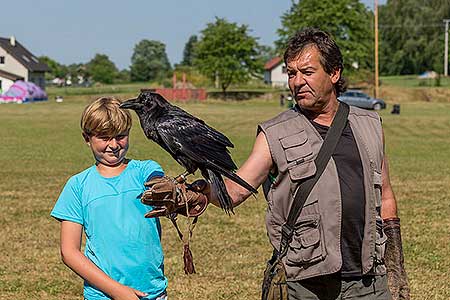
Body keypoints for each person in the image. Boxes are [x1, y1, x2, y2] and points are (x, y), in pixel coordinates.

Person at [147, 28, 410, 300]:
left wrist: (395, 265)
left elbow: (385, 195)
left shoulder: (370, 126)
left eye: (307, 72)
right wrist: (191, 196)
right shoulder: (274, 133)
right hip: (307, 281)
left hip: (369, 280)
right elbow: (237, 190)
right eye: (291, 73)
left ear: (334, 73)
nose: (297, 82)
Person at [51, 97, 168, 300]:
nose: (113, 145)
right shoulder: (77, 186)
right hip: (102, 294)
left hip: (152, 291)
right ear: (86, 138)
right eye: (104, 137)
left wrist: (164, 188)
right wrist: (117, 291)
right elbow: (69, 252)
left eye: (120, 136)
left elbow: (158, 181)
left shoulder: (145, 170)